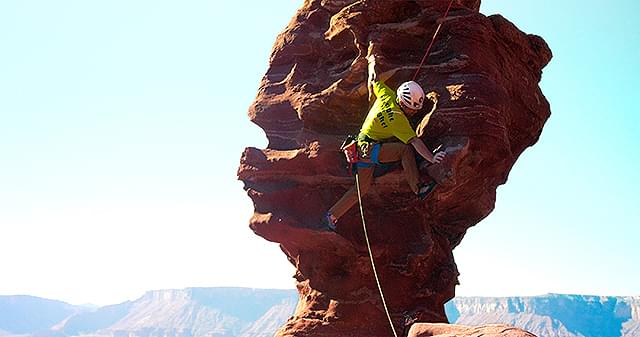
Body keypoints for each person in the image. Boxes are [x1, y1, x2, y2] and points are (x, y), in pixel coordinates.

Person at [323, 52, 446, 231]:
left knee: (362, 188)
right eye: (412, 109)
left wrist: (372, 60)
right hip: (368, 150)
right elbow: (415, 142)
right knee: (404, 150)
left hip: (362, 147)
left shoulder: (387, 96)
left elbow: (374, 81)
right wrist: (432, 158)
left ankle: (332, 215)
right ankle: (418, 189)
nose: (413, 113)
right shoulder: (398, 119)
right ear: (404, 104)